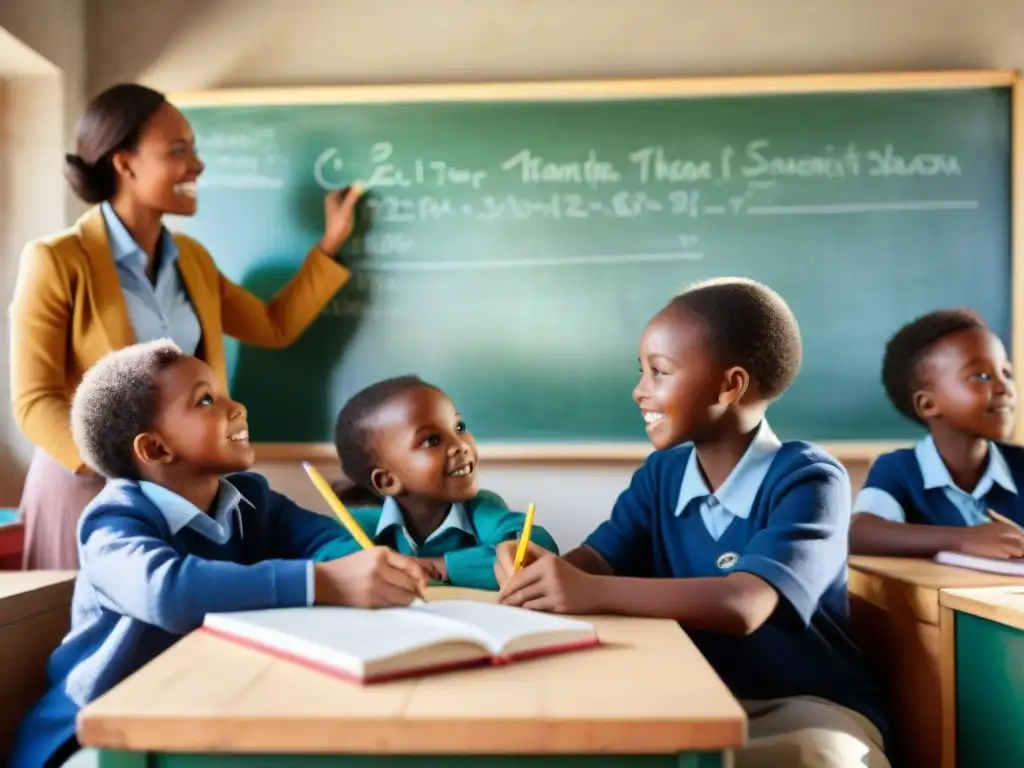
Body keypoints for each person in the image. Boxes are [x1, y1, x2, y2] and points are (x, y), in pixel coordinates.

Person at [494, 278, 889, 767]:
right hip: (691, 696)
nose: (640, 391)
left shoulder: (809, 478)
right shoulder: (663, 475)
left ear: (731, 385)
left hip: (804, 709)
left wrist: (584, 589)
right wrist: (533, 568)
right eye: (641, 371)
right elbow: (596, 560)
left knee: (818, 758)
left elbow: (743, 603)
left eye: (659, 372)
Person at [8, 340, 426, 768]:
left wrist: (361, 565)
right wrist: (328, 581)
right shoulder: (113, 522)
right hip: (90, 737)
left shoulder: (250, 498)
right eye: (206, 400)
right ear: (154, 449)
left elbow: (321, 539)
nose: (236, 407)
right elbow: (166, 592)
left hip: (189, 721)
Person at [10, 82, 362, 569]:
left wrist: (330, 246)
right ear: (124, 163)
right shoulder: (58, 260)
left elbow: (274, 326)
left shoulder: (192, 260)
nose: (196, 165)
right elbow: (34, 401)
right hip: (87, 487)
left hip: (177, 491)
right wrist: (121, 471)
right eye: (178, 150)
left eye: (194, 149)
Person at [323, 375, 559, 589]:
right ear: (387, 480)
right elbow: (328, 561)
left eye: (459, 427)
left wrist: (439, 566)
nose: (460, 445)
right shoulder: (359, 522)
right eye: (432, 440)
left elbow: (538, 548)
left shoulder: (481, 509)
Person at [850, 308, 1024, 557]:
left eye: (1006, 373)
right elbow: (858, 533)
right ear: (928, 405)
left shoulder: (1020, 465)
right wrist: (964, 539)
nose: (1005, 387)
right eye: (982, 376)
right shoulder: (899, 469)